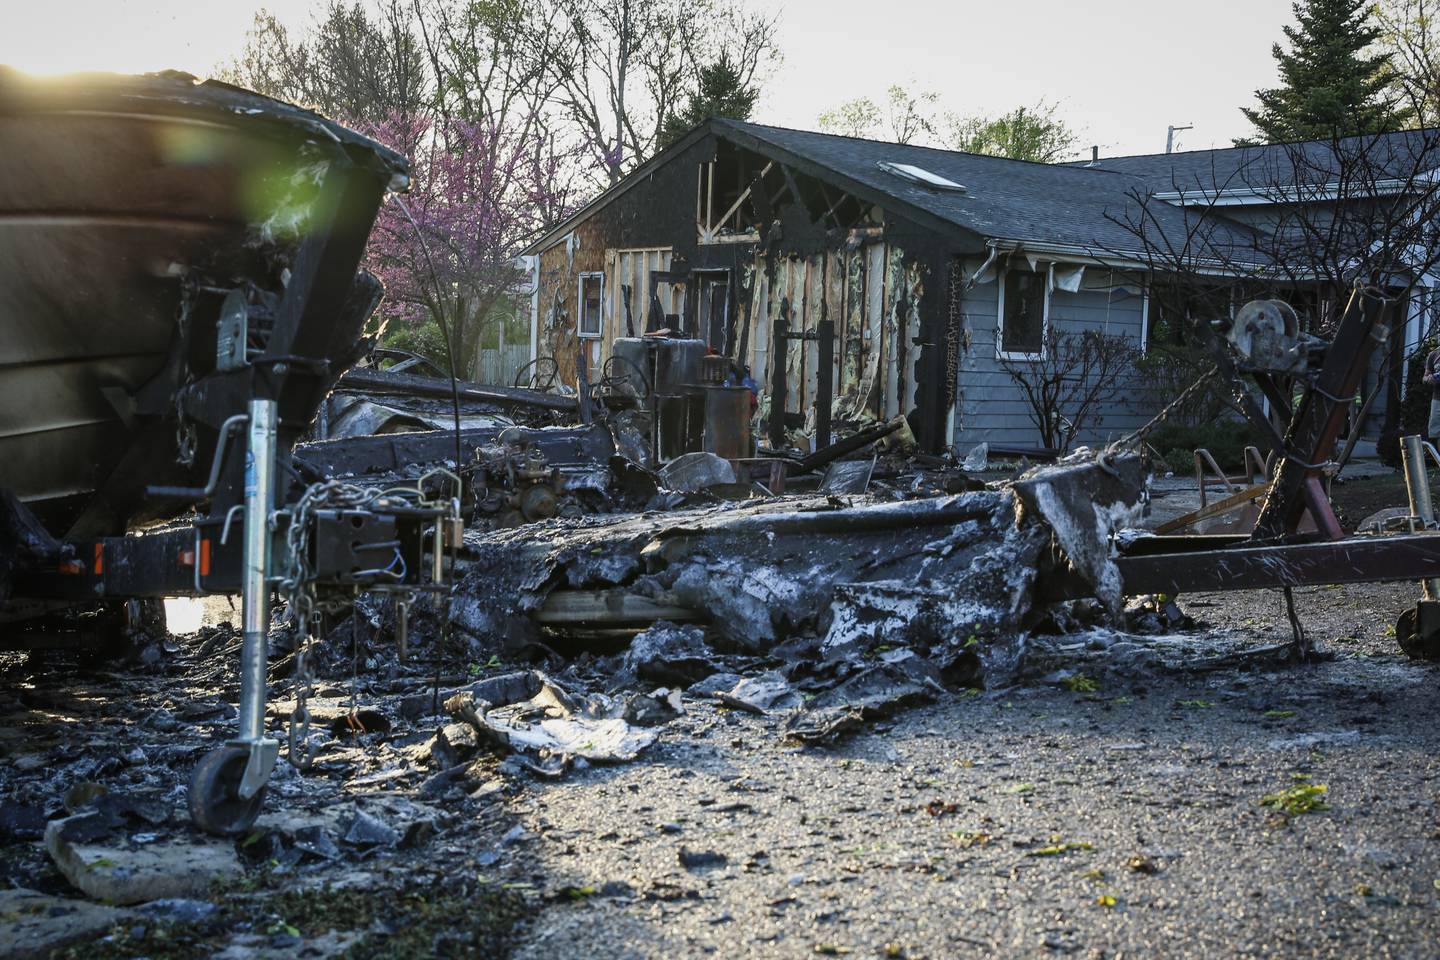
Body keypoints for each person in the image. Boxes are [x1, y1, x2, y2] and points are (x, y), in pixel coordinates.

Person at [1426, 343, 1440, 440]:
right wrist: (1429, 379)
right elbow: (1425, 376)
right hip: (1438, 399)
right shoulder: (1434, 354)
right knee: (1436, 433)